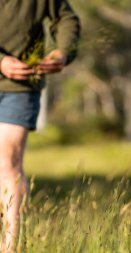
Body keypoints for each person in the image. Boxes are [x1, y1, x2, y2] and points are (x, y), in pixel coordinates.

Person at [0, 0, 80, 251]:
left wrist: (62, 52)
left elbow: (67, 19)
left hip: (20, 87)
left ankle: (9, 246)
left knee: (8, 162)